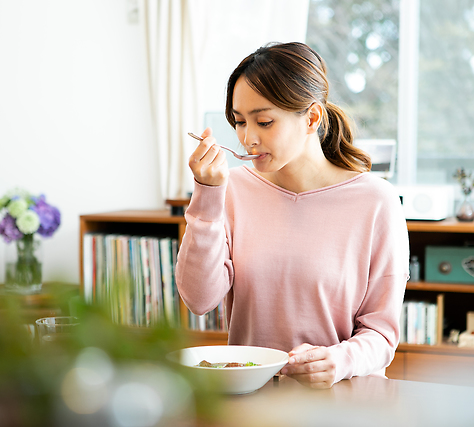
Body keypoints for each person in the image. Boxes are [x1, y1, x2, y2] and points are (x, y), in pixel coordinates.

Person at [175, 42, 409, 389]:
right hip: (252, 399)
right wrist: (207, 194)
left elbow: (382, 334)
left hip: (342, 399)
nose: (247, 138)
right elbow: (198, 299)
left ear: (311, 118)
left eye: (264, 121)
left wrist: (339, 360)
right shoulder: (231, 189)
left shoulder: (377, 202)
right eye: (239, 122)